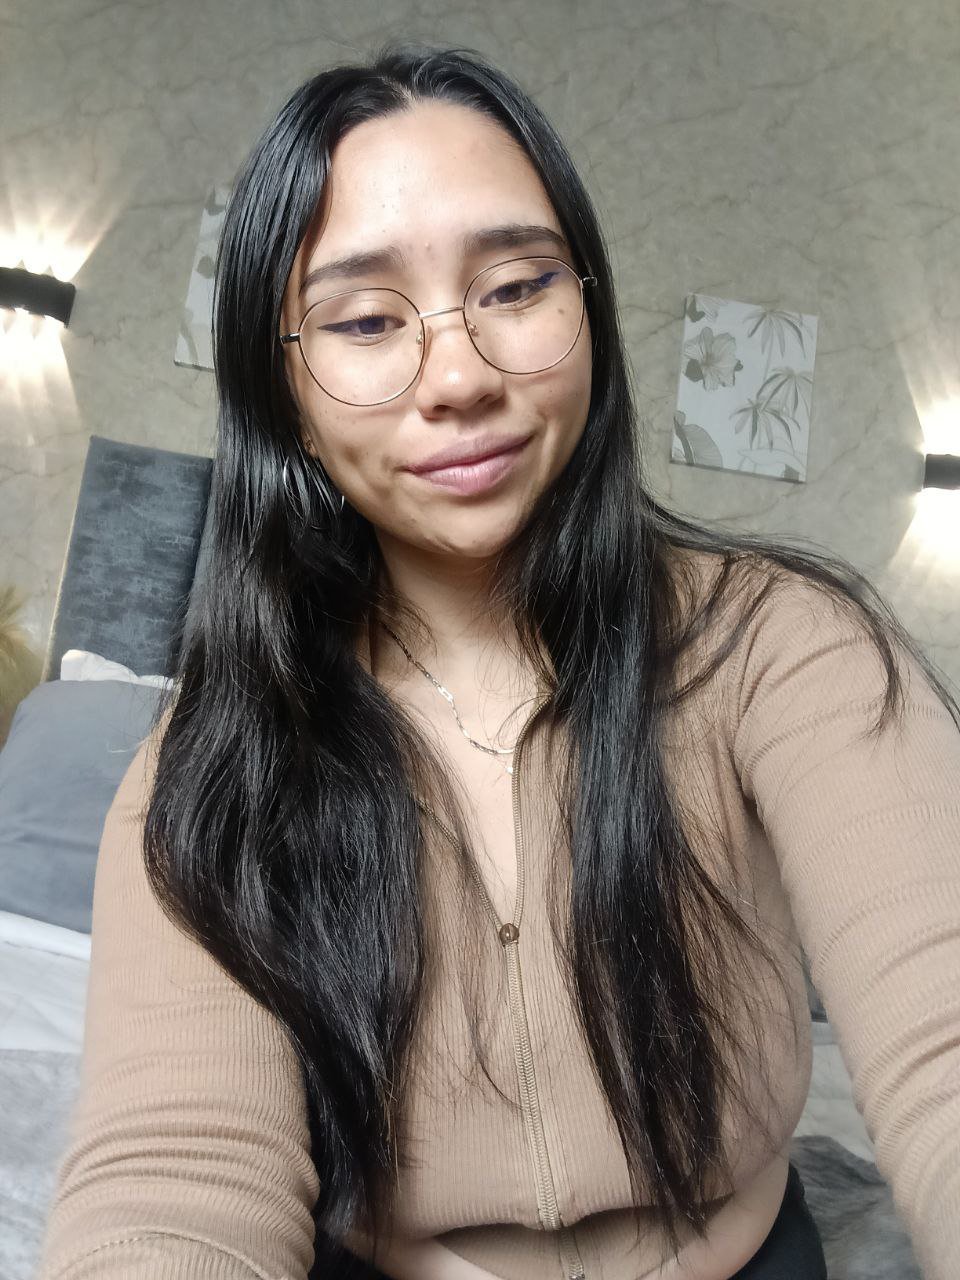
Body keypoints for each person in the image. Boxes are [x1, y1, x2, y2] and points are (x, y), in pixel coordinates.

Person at [36, 42, 960, 1280]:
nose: (463, 376)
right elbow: (175, 1179)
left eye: (517, 287)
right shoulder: (212, 766)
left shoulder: (784, 648)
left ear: (590, 309)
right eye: (366, 320)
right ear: (285, 388)